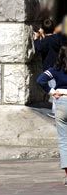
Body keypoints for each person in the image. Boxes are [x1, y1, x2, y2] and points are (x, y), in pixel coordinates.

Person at [38, 46, 67, 186]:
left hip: (61, 102)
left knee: (64, 140)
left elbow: (40, 80)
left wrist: (51, 91)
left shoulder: (54, 70)